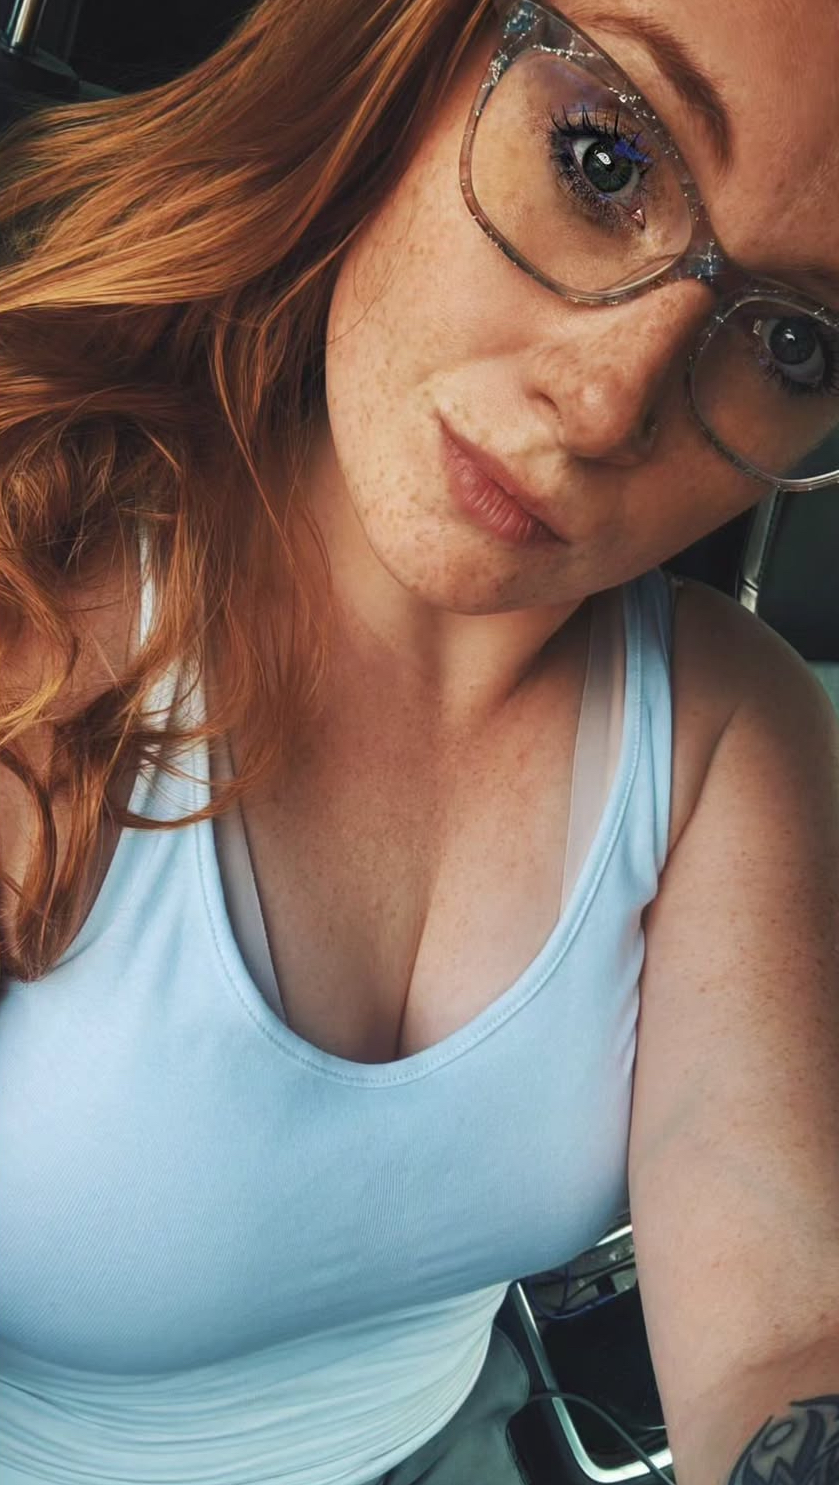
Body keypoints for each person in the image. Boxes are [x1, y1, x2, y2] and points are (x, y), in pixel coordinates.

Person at [0, 0, 837, 1481]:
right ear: (410, 57)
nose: (606, 402)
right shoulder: (37, 614)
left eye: (792, 340)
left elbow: (788, 1325)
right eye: (600, 160)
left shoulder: (727, 732)